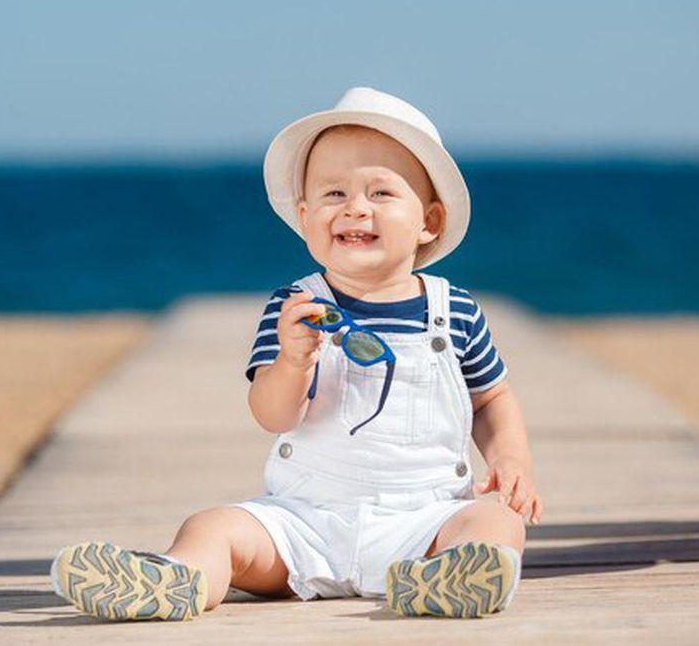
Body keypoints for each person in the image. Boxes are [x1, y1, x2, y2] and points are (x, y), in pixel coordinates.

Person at [50, 86, 542, 621]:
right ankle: (177, 578)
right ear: (305, 216)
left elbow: (491, 398)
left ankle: (447, 578)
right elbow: (272, 415)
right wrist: (291, 362)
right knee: (212, 526)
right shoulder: (296, 307)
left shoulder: (456, 310)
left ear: (429, 220)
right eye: (334, 195)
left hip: (422, 521)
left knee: (497, 524)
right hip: (304, 522)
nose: (355, 207)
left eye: (380, 193)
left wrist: (510, 457)